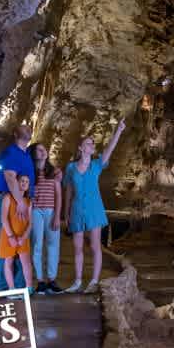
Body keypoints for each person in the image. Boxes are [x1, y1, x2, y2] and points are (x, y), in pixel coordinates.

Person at [63, 119, 127, 294]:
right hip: (76, 209)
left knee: (95, 246)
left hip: (94, 209)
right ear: (81, 148)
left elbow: (109, 150)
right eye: (89, 143)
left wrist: (118, 131)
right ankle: (77, 281)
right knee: (77, 247)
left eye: (93, 143)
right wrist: (66, 213)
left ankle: (93, 280)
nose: (93, 145)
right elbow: (68, 191)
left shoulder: (97, 165)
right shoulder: (71, 168)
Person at [0, 124, 36, 291]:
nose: (29, 130)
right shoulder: (12, 152)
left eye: (29, 129)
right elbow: (10, 177)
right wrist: (19, 201)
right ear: (15, 133)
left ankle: (19, 286)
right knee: (7, 245)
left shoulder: (25, 154)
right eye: (24, 128)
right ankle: (2, 288)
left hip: (21, 200)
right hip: (12, 201)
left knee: (20, 245)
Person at [29, 142, 64, 294]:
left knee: (53, 245)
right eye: (39, 150)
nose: (43, 152)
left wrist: (57, 215)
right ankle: (40, 281)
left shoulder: (54, 171)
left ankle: (51, 279)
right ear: (33, 154)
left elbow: (58, 195)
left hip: (50, 211)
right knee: (37, 244)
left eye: (44, 149)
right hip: (35, 211)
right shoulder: (30, 171)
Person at [0, 174, 35, 293]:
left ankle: (29, 287)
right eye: (22, 181)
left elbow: (30, 223)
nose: (24, 183)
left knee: (26, 262)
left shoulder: (28, 201)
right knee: (9, 261)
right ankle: (11, 289)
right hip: (9, 235)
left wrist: (24, 237)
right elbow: (4, 218)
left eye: (26, 182)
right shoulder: (8, 198)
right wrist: (11, 236)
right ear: (16, 183)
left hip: (22, 235)